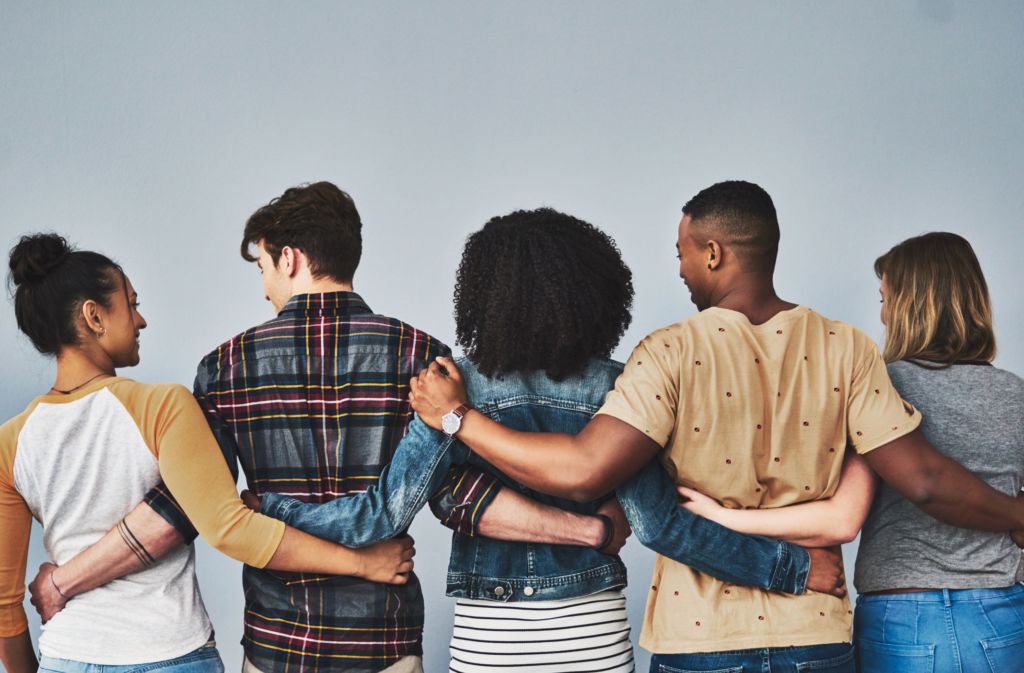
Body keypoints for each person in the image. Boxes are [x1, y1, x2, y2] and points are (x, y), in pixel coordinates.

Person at [407, 182, 1024, 673]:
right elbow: (913, 482)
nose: (678, 270)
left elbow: (588, 471)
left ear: (713, 252)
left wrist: (457, 418)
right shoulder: (850, 348)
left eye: (681, 253)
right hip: (814, 630)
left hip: (697, 639)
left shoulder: (667, 353)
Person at [248, 208, 843, 672]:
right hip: (591, 635)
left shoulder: (451, 385)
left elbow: (381, 514)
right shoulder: (619, 384)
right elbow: (661, 525)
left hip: (491, 641)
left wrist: (265, 506)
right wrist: (791, 569)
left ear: (483, 294)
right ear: (593, 291)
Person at [0, 234, 415, 673]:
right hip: (168, 654)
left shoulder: (11, 441)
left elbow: (5, 603)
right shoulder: (162, 406)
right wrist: (360, 563)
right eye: (131, 303)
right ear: (93, 316)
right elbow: (229, 528)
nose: (140, 320)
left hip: (67, 656)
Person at [674, 232, 1024, 672]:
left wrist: (724, 517)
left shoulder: (882, 386)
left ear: (907, 305)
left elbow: (841, 518)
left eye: (885, 298)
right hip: (1004, 614)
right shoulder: (1016, 393)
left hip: (904, 619)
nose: (881, 313)